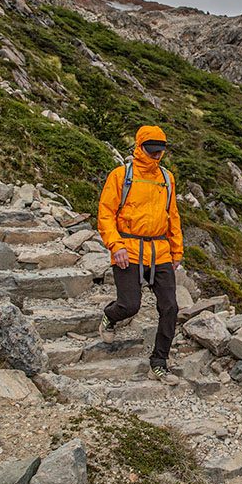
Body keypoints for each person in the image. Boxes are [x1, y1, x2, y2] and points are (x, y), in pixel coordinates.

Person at [96, 125, 184, 385]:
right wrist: (116, 246)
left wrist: (176, 250)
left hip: (160, 251)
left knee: (170, 307)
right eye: (151, 150)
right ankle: (110, 316)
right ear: (139, 147)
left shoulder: (166, 178)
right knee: (130, 305)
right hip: (129, 249)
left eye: (159, 151)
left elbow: (173, 216)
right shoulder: (121, 175)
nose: (156, 155)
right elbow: (105, 214)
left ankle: (159, 363)